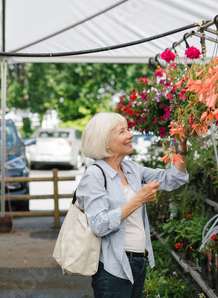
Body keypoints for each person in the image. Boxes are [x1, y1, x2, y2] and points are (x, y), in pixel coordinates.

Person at [75, 112, 189, 298]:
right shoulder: (94, 175)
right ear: (105, 142)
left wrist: (181, 147)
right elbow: (99, 224)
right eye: (122, 131)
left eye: (127, 129)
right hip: (113, 266)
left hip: (138, 260)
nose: (130, 135)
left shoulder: (131, 169)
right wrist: (138, 200)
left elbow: (174, 178)